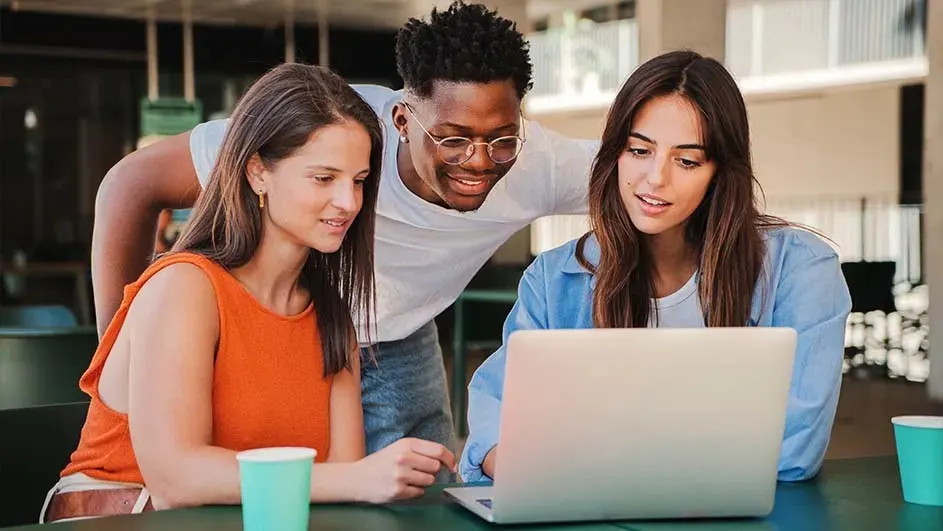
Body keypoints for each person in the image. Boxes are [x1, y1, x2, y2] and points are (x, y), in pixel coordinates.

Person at [89, 1, 597, 459]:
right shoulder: (336, 129)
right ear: (401, 121)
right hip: (278, 328)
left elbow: (638, 182)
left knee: (417, 494)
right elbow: (130, 184)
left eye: (501, 139)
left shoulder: (540, 163)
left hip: (385, 332)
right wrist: (125, 359)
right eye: (452, 139)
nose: (479, 161)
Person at [41, 63, 455, 524]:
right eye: (324, 178)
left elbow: (339, 487)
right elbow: (177, 482)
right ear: (257, 172)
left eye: (358, 181)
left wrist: (372, 478)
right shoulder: (184, 287)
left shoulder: (333, 316)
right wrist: (360, 479)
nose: (349, 202)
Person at [459, 50, 853, 483]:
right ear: (615, 154)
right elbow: (497, 419)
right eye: (639, 150)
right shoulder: (554, 281)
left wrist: (593, 457)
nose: (655, 178)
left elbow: (794, 450)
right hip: (586, 506)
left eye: (687, 160)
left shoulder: (801, 271)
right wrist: (513, 459)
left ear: (720, 172)